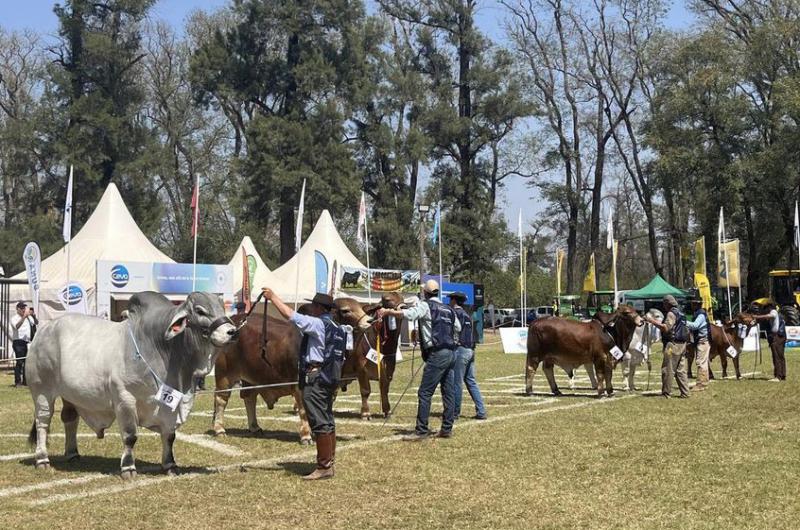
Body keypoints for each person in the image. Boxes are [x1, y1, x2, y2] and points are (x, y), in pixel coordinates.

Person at [261, 288, 346, 480]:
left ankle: (324, 466)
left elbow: (290, 315)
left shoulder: (317, 324)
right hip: (330, 376)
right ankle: (329, 460)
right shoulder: (338, 328)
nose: (312, 308)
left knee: (318, 420)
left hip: (315, 376)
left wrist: (273, 297)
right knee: (327, 417)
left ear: (318, 308)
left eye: (314, 305)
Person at [377, 279, 461, 440]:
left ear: (425, 293)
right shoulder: (449, 309)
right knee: (448, 392)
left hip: (436, 353)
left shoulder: (426, 305)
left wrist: (389, 312)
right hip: (451, 352)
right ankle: (447, 428)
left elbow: (410, 314)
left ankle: (421, 430)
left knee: (425, 392)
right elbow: (457, 327)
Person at [448, 292, 487, 420]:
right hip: (470, 349)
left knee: (456, 382)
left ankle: (455, 412)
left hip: (461, 350)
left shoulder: (455, 314)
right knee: (470, 381)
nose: (449, 302)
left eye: (450, 300)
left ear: (454, 301)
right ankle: (481, 411)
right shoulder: (466, 314)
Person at [646, 295, 690, 399]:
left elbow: (666, 328)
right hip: (682, 345)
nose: (663, 306)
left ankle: (666, 393)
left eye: (664, 303)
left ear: (667, 303)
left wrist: (651, 321)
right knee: (681, 370)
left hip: (672, 345)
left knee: (668, 368)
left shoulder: (671, 313)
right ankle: (685, 392)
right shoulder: (681, 313)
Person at [754, 303, 786, 382]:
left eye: (765, 309)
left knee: (776, 356)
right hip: (781, 336)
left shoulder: (773, 311)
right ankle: (782, 375)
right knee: (781, 356)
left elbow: (769, 316)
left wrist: (757, 317)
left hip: (777, 336)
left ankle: (777, 376)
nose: (765, 311)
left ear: (769, 308)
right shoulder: (778, 314)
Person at [686, 299, 711, 392]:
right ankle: (704, 382)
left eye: (693, 303)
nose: (691, 305)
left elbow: (695, 326)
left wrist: (684, 321)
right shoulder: (699, 313)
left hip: (702, 341)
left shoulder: (700, 314)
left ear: (696, 304)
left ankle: (701, 384)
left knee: (700, 362)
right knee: (703, 362)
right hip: (702, 341)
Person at [11, 301, 37, 387]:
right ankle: (17, 381)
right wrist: (24, 317)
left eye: (24, 308)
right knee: (19, 361)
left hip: (27, 342)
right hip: (18, 342)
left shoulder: (29, 318)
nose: (23, 310)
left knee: (27, 362)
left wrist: (32, 315)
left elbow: (35, 323)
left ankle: (25, 381)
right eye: (21, 308)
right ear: (17, 309)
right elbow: (16, 326)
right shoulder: (14, 318)